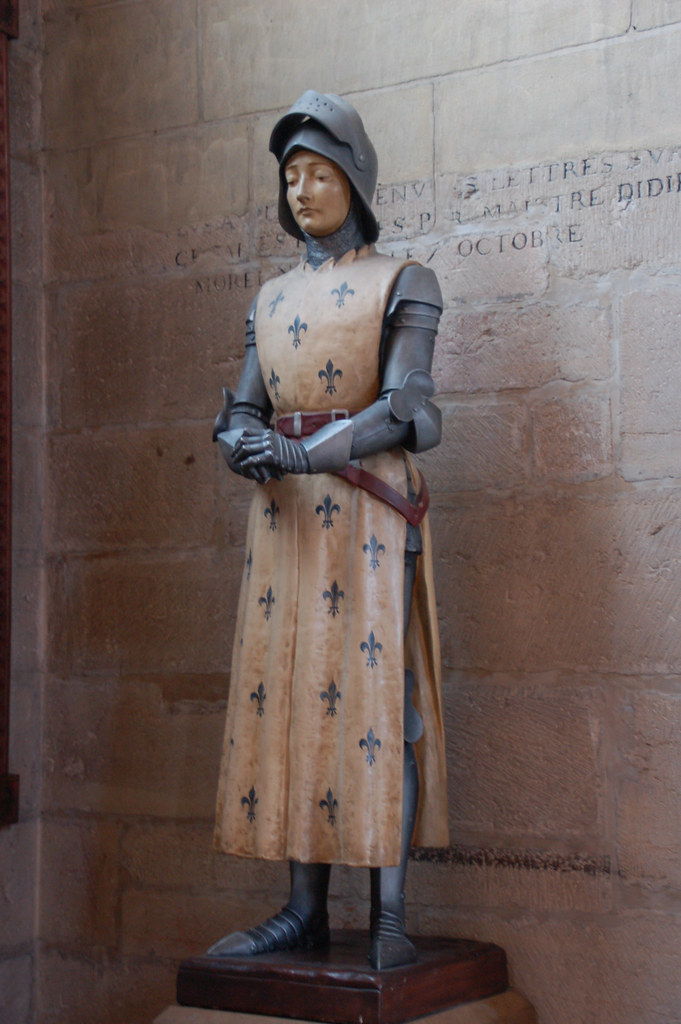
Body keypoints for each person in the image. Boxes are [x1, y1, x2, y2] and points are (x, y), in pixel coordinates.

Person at [209, 90, 448, 970]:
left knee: (382, 702)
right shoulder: (271, 298)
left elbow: (409, 407)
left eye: (318, 173)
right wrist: (244, 446)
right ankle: (302, 909)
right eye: (291, 176)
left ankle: (388, 914)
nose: (303, 190)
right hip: (283, 522)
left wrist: (308, 453)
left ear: (354, 179)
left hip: (368, 510)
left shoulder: (402, 280)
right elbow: (237, 407)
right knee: (292, 695)